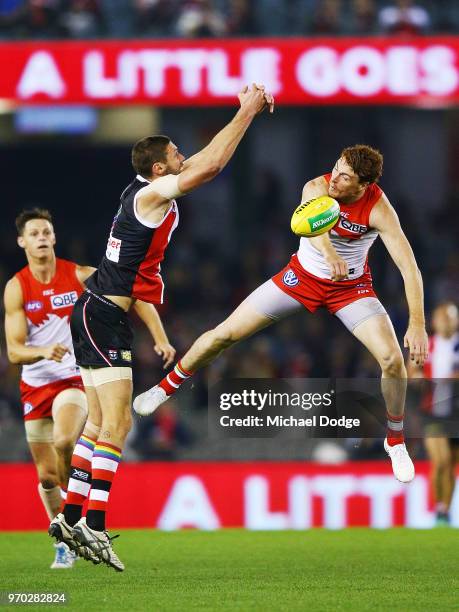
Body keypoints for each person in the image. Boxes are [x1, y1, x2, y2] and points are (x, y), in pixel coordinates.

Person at [49, 83, 274, 572]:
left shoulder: (147, 189)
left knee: (97, 423)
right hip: (102, 315)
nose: (183, 155)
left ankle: (69, 517)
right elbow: (211, 166)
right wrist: (248, 111)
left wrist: (155, 334)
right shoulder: (152, 195)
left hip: (99, 311)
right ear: (159, 168)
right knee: (119, 424)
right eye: (175, 153)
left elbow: (202, 163)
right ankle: (93, 522)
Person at [135, 144, 429, 483]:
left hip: (350, 289)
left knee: (392, 360)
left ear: (362, 186)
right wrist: (331, 254)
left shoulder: (378, 208)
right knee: (224, 335)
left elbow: (409, 268)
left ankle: (395, 440)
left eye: (345, 176)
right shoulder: (317, 187)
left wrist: (417, 323)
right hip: (300, 278)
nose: (335, 177)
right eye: (336, 167)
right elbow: (311, 226)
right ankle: (164, 388)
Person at [4, 207, 175, 568]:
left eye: (46, 232)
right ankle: (66, 536)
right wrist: (42, 351)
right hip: (35, 385)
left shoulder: (79, 275)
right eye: (34, 233)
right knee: (47, 476)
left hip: (73, 378)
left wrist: (159, 337)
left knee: (65, 440)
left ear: (54, 237)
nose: (41, 238)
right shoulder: (17, 287)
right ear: (22, 241)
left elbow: (132, 294)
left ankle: (77, 511)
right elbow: (15, 350)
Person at [409, 302, 459, 525]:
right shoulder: (428, 345)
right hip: (432, 412)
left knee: (451, 465)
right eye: (442, 318)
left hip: (455, 413)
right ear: (435, 322)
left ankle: (444, 511)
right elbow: (413, 369)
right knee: (441, 461)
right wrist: (417, 376)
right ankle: (439, 508)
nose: (446, 322)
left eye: (450, 317)